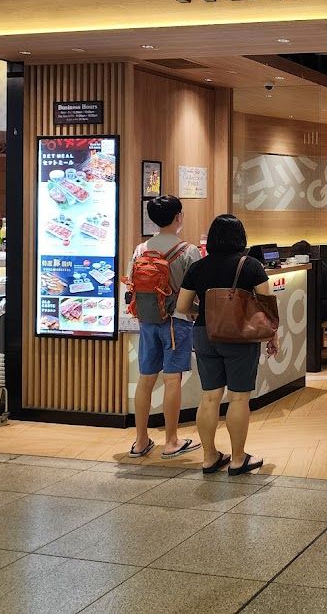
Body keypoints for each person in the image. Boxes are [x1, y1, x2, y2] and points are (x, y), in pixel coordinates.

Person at [176, 214, 277, 476]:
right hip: (240, 338)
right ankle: (238, 459)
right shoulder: (250, 265)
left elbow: (182, 307)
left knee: (209, 397)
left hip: (204, 335)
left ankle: (210, 458)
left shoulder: (198, 267)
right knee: (239, 398)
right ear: (240, 237)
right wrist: (272, 336)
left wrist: (208, 313)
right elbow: (267, 304)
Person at [128, 195, 202, 459]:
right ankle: (171, 441)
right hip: (177, 323)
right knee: (172, 380)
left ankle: (140, 441)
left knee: (145, 379)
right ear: (178, 217)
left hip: (147, 321)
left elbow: (132, 286)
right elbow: (197, 291)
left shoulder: (140, 249)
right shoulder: (189, 250)